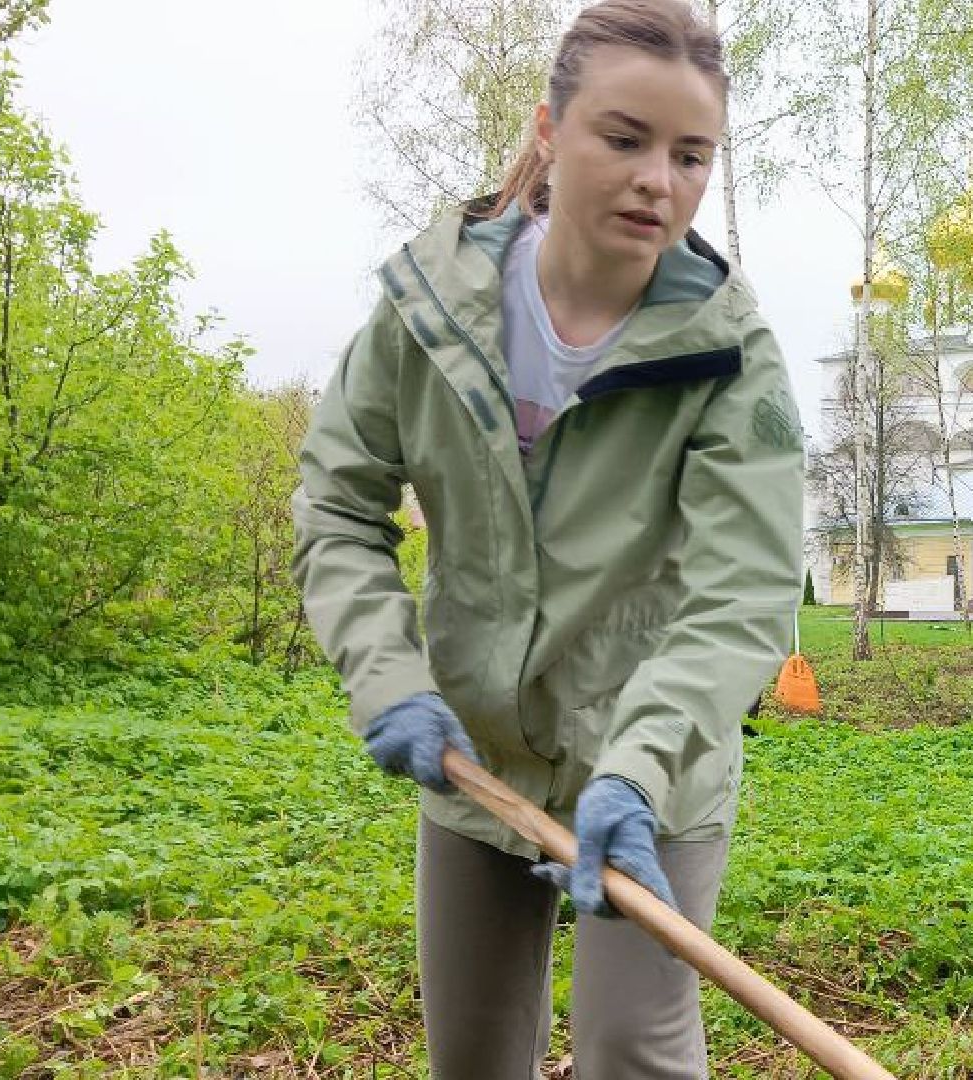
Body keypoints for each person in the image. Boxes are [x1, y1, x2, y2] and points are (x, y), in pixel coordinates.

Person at [290, 4, 802, 1076]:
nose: (658, 179)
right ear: (548, 132)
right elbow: (339, 502)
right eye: (624, 139)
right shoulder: (426, 311)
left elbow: (746, 590)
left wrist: (642, 767)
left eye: (691, 154)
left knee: (634, 1049)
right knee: (472, 1055)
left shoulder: (728, 354)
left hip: (651, 770)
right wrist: (387, 677)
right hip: (472, 755)